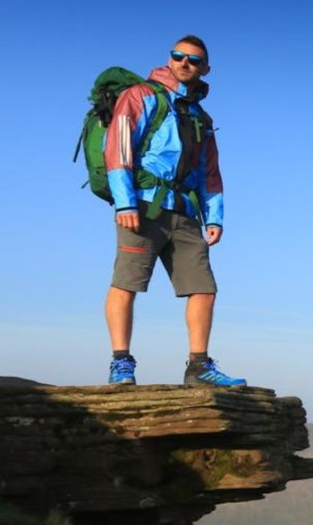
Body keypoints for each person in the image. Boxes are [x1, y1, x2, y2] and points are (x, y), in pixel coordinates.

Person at [103, 35, 246, 387]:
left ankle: (198, 366)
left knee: (203, 288)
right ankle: (121, 362)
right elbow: (118, 148)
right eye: (178, 56)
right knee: (127, 282)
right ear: (169, 59)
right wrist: (125, 202)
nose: (184, 63)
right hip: (143, 207)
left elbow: (209, 173)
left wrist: (214, 217)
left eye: (193, 60)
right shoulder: (140, 96)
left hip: (185, 213)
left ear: (205, 69)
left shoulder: (201, 116)